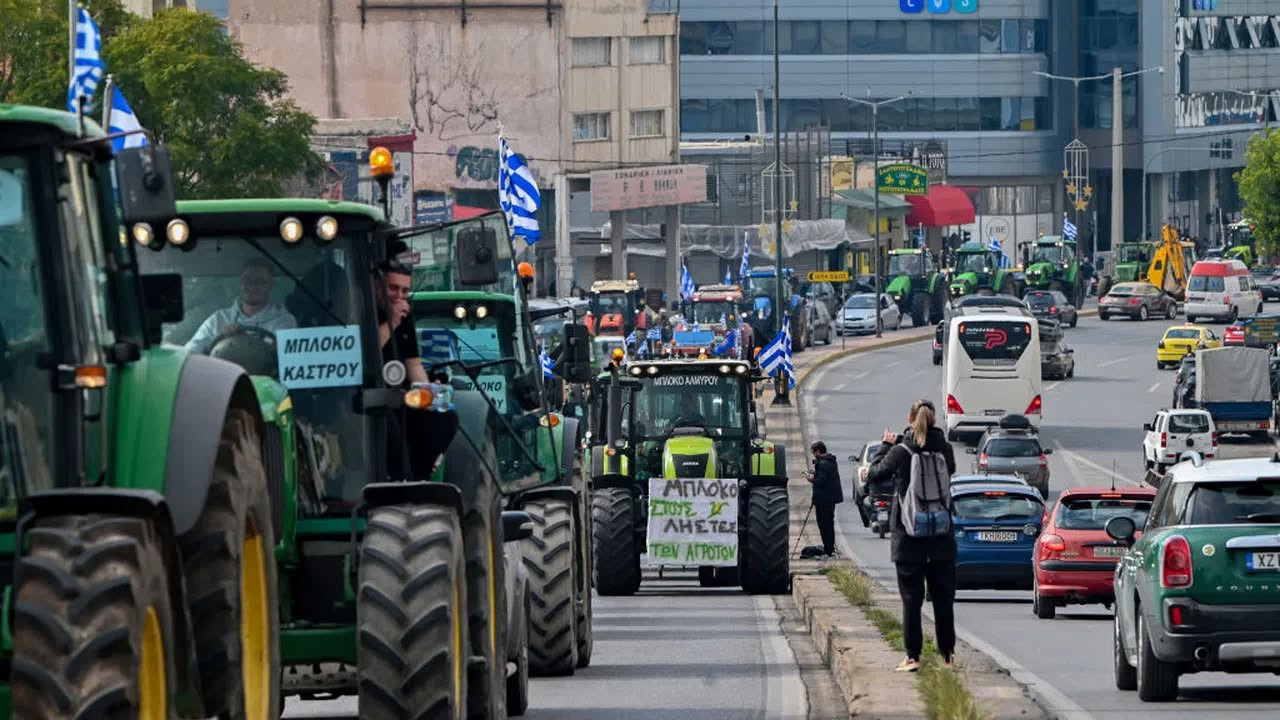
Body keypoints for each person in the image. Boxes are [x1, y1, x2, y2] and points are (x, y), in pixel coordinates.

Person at [863, 399, 957, 673]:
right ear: (935, 419)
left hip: (908, 537)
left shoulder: (901, 450)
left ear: (910, 418)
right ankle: (948, 656)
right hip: (941, 535)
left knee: (911, 600)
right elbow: (949, 473)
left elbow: (874, 475)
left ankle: (913, 657)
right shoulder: (945, 448)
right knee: (943, 599)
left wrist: (885, 445)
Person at [186, 260, 296, 353]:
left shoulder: (284, 321)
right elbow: (190, 353)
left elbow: (287, 354)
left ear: (271, 284)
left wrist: (242, 338)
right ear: (240, 282)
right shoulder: (218, 319)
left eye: (260, 282)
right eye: (247, 280)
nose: (252, 286)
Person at [377, 263, 427, 385]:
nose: (399, 296)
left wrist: (428, 391)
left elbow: (414, 365)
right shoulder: (364, 311)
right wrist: (393, 321)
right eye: (393, 288)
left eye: (405, 291)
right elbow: (368, 350)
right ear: (378, 286)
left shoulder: (404, 315)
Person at [807, 441, 844, 557]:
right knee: (829, 523)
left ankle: (828, 548)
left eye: (813, 452)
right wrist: (816, 472)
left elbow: (822, 481)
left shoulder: (823, 463)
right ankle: (829, 547)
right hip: (830, 499)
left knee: (824, 524)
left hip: (823, 499)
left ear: (817, 451)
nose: (813, 455)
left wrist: (812, 479)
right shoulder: (830, 461)